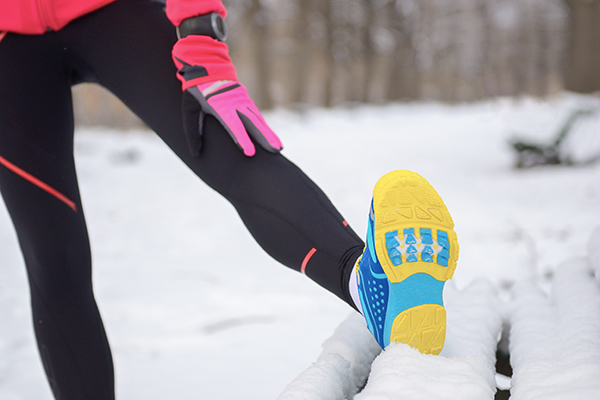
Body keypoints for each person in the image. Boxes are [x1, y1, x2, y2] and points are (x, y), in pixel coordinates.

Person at [0, 0, 459, 398]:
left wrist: (199, 35)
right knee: (53, 253)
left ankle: (373, 285)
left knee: (233, 147)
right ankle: (368, 282)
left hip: (113, 13)